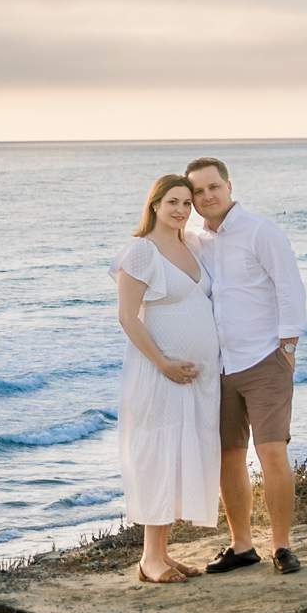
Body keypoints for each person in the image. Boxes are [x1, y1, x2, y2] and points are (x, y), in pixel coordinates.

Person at [184, 156, 307, 574]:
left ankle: (282, 547)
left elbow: (290, 287)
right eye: (197, 191)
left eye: (212, 187)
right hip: (217, 366)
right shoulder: (195, 239)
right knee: (228, 457)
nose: (206, 196)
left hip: (263, 359)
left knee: (272, 452)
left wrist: (287, 347)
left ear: (229, 186)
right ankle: (241, 547)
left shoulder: (261, 231)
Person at [113, 173, 222, 583]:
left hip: (197, 379)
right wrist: (163, 363)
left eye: (186, 204)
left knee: (180, 457)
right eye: (172, 202)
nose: (180, 210)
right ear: (155, 204)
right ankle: (149, 558)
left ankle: (162, 552)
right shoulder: (141, 252)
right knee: (158, 457)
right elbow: (127, 316)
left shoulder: (190, 245)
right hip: (159, 375)